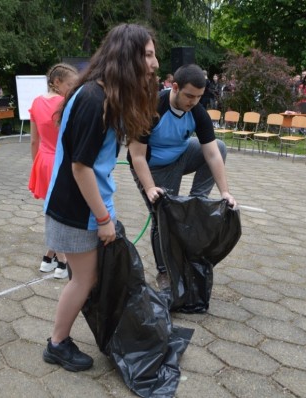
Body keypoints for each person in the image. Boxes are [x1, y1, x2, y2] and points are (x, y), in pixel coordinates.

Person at [42, 23, 159, 372]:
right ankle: (57, 344)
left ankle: (62, 339)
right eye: (148, 55)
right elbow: (81, 168)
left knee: (86, 278)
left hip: (85, 206)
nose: (154, 64)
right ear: (128, 56)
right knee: (84, 279)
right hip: (74, 210)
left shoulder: (104, 94)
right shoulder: (95, 99)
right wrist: (104, 219)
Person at [128, 64, 237, 290]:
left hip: (182, 155)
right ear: (174, 87)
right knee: (163, 215)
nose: (193, 102)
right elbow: (136, 155)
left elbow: (212, 154)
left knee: (220, 146)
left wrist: (225, 192)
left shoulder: (197, 111)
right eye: (189, 96)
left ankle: (196, 201)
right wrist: (149, 188)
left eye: (198, 97)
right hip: (153, 167)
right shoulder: (151, 108)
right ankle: (165, 272)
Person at [28, 64, 78, 278]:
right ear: (57, 82)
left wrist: (36, 165)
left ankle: (48, 258)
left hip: (42, 160)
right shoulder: (65, 104)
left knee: (52, 210)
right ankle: (62, 261)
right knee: (60, 213)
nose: (72, 88)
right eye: (69, 84)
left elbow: (33, 140)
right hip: (60, 162)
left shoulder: (36, 102)